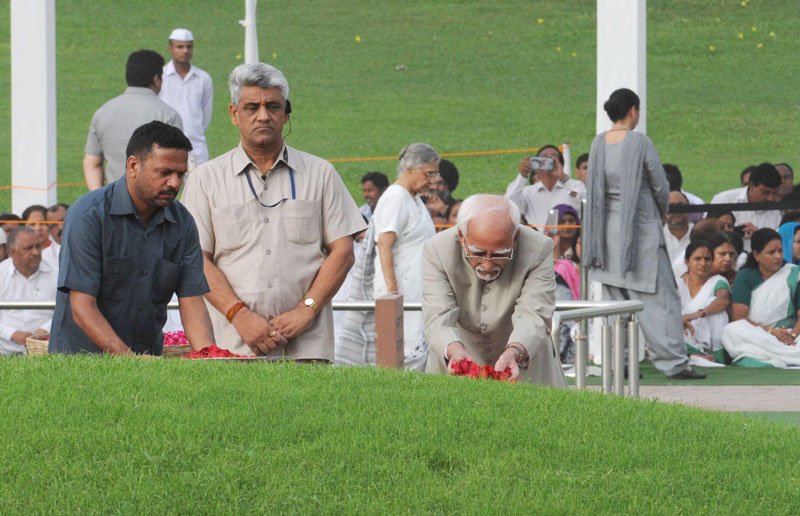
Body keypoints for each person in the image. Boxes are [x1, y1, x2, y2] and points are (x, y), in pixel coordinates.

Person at [181, 63, 366, 361]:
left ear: (286, 114)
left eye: (273, 106)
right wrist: (239, 315)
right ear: (233, 114)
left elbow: (343, 252)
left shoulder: (320, 173)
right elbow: (195, 260)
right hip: (234, 346)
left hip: (306, 346)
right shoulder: (206, 179)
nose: (263, 115)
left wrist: (307, 309)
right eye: (252, 107)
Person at [50, 121, 215, 355]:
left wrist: (208, 358)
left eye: (180, 174)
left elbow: (192, 301)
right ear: (133, 165)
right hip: (81, 364)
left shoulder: (183, 223)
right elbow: (82, 308)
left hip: (146, 360)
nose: (175, 183)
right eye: (164, 173)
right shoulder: (88, 215)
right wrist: (131, 363)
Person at [584, 88, 703, 379]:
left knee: (616, 305)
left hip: (604, 236)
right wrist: (662, 208)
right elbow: (660, 184)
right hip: (639, 232)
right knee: (660, 301)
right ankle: (673, 363)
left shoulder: (598, 144)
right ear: (633, 111)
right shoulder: (639, 142)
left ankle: (619, 363)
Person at [422, 194, 566, 385]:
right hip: (456, 359)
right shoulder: (437, 249)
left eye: (500, 255)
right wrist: (454, 351)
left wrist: (516, 350)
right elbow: (437, 315)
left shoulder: (539, 248)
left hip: (525, 364)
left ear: (515, 239)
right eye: (478, 253)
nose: (487, 266)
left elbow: (535, 313)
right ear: (461, 238)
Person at [371, 143, 438, 370]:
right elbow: (384, 243)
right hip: (401, 292)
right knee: (402, 357)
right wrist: (393, 293)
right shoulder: (396, 197)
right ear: (410, 169)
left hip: (416, 289)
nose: (432, 180)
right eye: (429, 174)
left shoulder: (414, 198)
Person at [84, 49, 183, 190]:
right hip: (153, 205)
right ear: (156, 79)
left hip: (112, 202)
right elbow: (175, 165)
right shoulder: (168, 115)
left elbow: (92, 163)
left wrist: (99, 200)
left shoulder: (102, 112)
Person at [721, 228, 800, 367]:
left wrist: (792, 336)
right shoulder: (745, 276)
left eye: (780, 251)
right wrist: (771, 332)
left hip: (789, 334)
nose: (778, 256)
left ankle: (769, 358)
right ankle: (783, 358)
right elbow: (740, 319)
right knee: (731, 330)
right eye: (771, 252)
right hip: (758, 334)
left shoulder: (793, 273)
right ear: (757, 255)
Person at [158, 28, 214, 166]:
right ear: (170, 48)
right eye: (180, 47)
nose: (185, 51)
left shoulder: (203, 79)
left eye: (189, 47)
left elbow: (205, 115)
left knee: (199, 186)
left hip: (196, 148)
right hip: (165, 146)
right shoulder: (161, 76)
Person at [0, 227, 57, 355]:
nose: (36, 252)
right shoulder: (1, 274)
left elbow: (65, 310)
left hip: (46, 348)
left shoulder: (56, 274)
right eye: (28, 248)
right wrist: (13, 334)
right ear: (12, 252)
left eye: (38, 246)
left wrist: (46, 329)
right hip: (5, 349)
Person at [505, 144, 584, 228]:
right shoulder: (527, 192)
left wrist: (563, 177)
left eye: (553, 158)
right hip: (537, 239)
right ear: (535, 164)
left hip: (568, 239)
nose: (547, 160)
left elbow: (585, 201)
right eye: (543, 158)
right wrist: (522, 176)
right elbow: (509, 204)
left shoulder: (574, 186)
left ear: (560, 164)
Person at [678, 241, 730, 367]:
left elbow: (724, 300)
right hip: (683, 334)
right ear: (687, 261)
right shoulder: (677, 284)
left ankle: (716, 357)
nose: (703, 263)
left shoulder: (718, 281)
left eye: (707, 259)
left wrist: (696, 315)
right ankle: (692, 354)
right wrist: (680, 319)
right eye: (697, 259)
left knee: (714, 305)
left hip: (709, 338)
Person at [709, 162, 782, 241]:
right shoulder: (723, 200)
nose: (771, 198)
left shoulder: (779, 210)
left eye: (775, 193)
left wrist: (759, 235)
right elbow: (703, 232)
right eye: (765, 192)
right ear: (751, 186)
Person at [663, 191, 693, 266]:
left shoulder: (699, 233)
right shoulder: (657, 235)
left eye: (680, 206)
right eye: (671, 207)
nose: (676, 211)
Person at [41, 203, 68, 272]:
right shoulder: (44, 258)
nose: (61, 227)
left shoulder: (93, 246)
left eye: (63, 221)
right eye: (54, 225)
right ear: (49, 230)